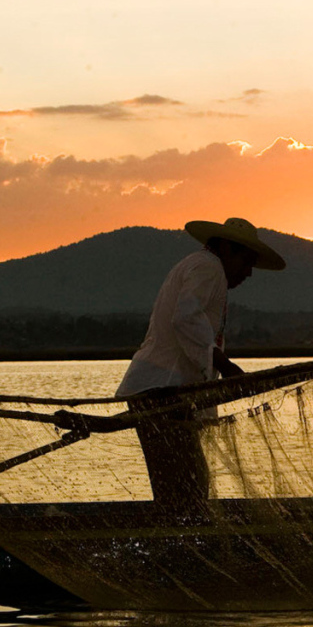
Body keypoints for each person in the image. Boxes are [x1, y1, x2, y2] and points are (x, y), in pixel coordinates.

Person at [116, 217, 286, 512]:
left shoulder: (202, 267)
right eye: (245, 262)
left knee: (184, 483)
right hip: (162, 392)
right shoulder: (209, 267)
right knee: (185, 487)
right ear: (225, 248)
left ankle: (177, 535)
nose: (248, 273)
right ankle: (178, 540)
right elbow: (185, 318)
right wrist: (226, 365)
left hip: (164, 392)